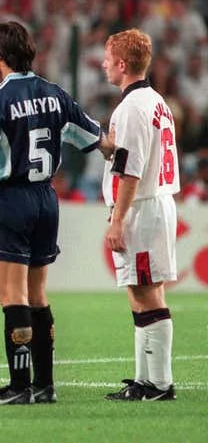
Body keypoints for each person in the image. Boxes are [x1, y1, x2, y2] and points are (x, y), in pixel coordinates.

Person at [0, 21, 113, 405]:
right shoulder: (54, 93)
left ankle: (19, 386)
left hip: (12, 199)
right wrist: (120, 151)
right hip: (46, 199)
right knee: (38, 295)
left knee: (12, 296)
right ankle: (45, 385)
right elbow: (95, 139)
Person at [101, 28, 179, 401]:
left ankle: (160, 384)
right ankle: (144, 379)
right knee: (143, 291)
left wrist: (118, 218)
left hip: (141, 208)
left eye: (106, 58)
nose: (103, 64)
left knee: (146, 293)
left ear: (121, 63)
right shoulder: (156, 101)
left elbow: (131, 170)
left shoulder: (131, 107)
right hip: (153, 203)